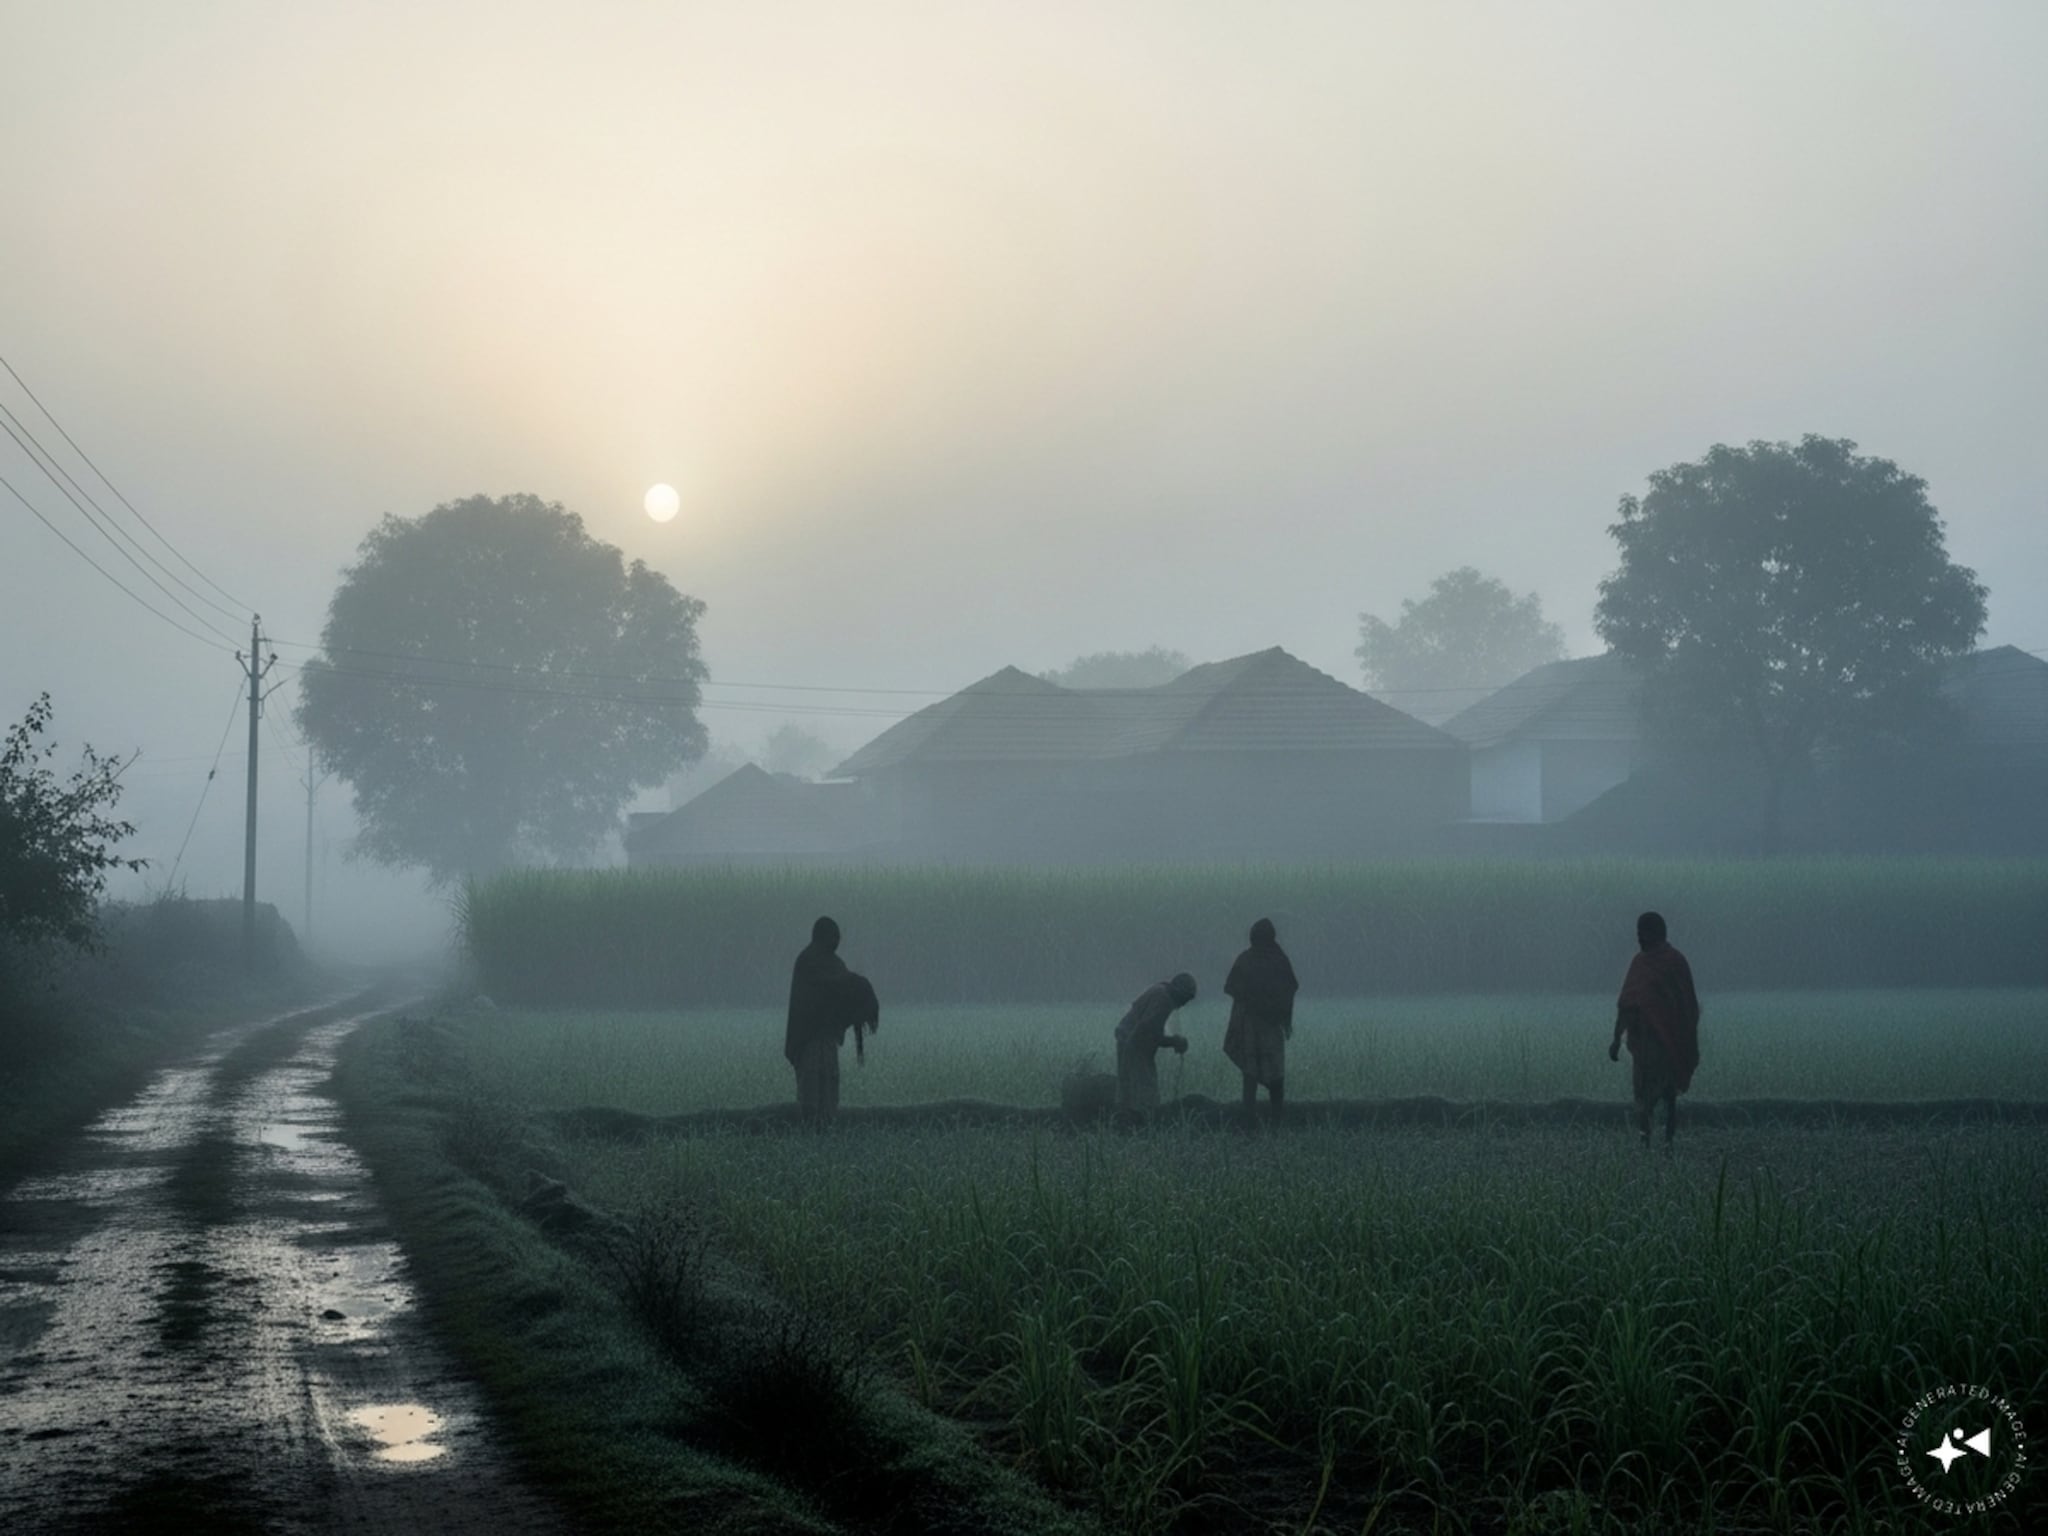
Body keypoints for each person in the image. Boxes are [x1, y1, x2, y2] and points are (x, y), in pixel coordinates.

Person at [1607, 910, 1700, 1147]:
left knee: (1665, 1098)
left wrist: (1617, 1038)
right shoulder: (1647, 962)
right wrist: (1617, 1038)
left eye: (1643, 934)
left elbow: (1686, 1004)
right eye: (1638, 934)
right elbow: (1628, 1003)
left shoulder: (1670, 962)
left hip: (1663, 1046)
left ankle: (1662, 1143)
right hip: (1650, 1046)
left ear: (1654, 934)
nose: (1639, 939)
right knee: (1651, 1099)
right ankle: (1650, 1142)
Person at [784, 916, 876, 1125]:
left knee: (829, 1092)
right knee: (811, 1096)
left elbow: (840, 988)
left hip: (827, 1040)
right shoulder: (808, 961)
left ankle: (826, 1128)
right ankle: (812, 1132)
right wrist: (855, 984)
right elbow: (830, 986)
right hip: (808, 1041)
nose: (836, 941)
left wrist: (857, 988)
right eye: (833, 937)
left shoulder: (833, 963)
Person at [1223, 918, 1298, 1127]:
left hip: (1251, 1024)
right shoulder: (1279, 960)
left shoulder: (1247, 959)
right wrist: (1284, 1017)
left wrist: (1251, 1001)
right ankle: (1275, 1117)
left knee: (1251, 1071)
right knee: (1275, 1071)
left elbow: (1232, 988)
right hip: (1269, 1024)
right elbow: (1289, 989)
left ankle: (1250, 1117)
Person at [1114, 971, 1197, 1117]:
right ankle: (1141, 1124)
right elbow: (1148, 1033)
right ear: (1179, 992)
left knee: (1128, 1090)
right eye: (1185, 998)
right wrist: (1174, 1041)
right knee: (1145, 1092)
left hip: (1127, 1038)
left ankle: (1125, 1121)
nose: (1184, 1004)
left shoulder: (1159, 990)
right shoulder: (1164, 1000)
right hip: (1133, 1044)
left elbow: (1149, 1030)